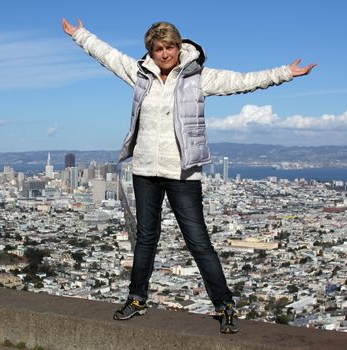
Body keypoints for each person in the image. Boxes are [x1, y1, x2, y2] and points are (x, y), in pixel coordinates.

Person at [62, 18, 315, 334]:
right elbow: (109, 56)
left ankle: (224, 305)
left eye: (169, 47)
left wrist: (284, 74)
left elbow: (242, 80)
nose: (165, 54)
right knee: (145, 239)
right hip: (144, 171)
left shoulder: (198, 77)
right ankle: (137, 298)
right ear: (151, 52)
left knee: (198, 241)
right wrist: (80, 35)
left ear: (179, 47)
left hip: (183, 172)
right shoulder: (141, 75)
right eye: (158, 48)